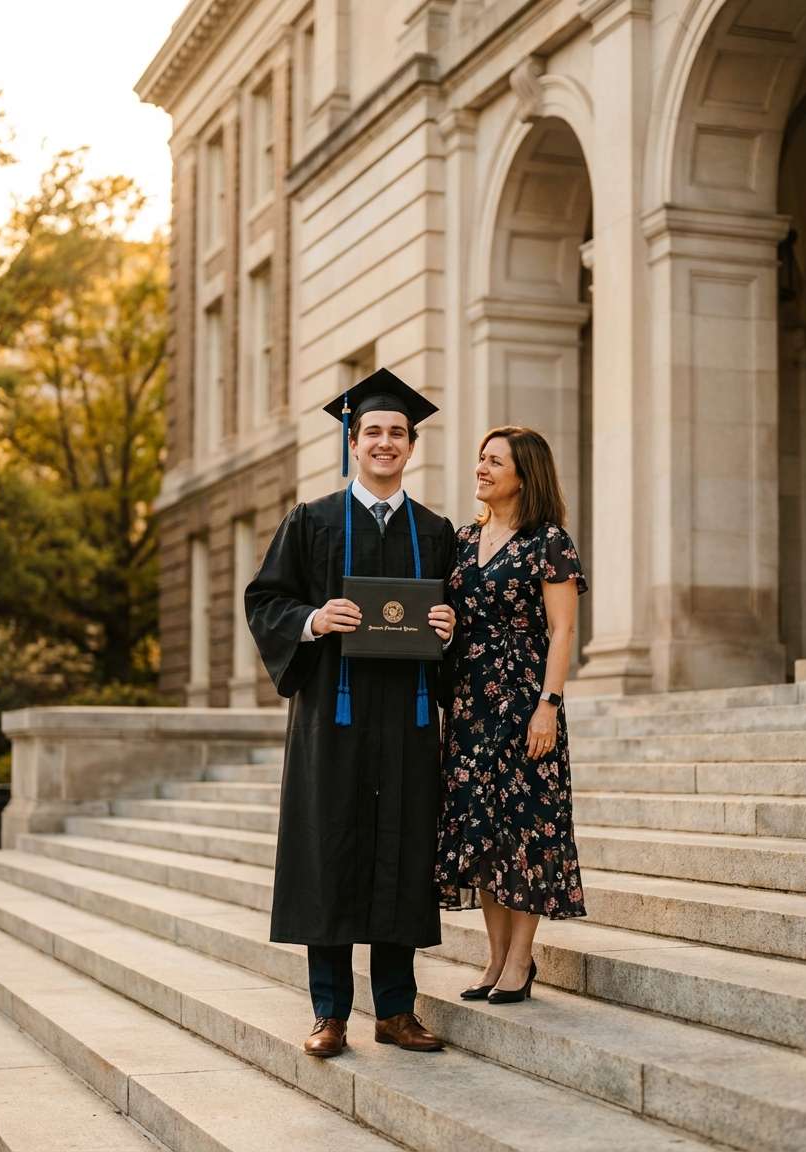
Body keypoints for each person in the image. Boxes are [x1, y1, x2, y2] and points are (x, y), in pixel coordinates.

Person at [246, 368, 457, 1057]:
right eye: (373, 431)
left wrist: (451, 628)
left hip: (406, 722)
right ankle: (329, 1012)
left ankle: (396, 1010)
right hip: (329, 723)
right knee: (329, 853)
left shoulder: (437, 530)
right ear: (353, 440)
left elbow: (461, 632)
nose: (385, 442)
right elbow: (265, 602)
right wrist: (312, 619)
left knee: (401, 852)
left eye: (398, 432)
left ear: (411, 445)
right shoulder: (310, 522)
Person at [435, 425, 587, 1004]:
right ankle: (495, 957)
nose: (482, 468)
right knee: (482, 834)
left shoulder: (549, 540)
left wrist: (548, 704)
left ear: (524, 474)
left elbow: (563, 628)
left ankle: (520, 962)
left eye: (494, 461)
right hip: (471, 705)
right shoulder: (463, 539)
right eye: (480, 458)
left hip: (526, 701)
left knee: (527, 831)